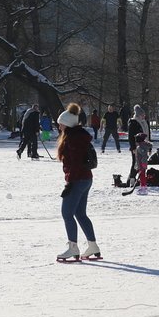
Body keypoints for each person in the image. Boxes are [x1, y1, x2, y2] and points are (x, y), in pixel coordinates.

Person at [55, 103, 101, 262]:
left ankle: (73, 248)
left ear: (67, 124)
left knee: (67, 213)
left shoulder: (71, 139)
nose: (58, 125)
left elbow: (74, 163)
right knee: (80, 214)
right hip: (86, 178)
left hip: (77, 179)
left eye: (60, 123)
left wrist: (69, 183)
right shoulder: (79, 136)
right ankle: (93, 245)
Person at [126, 104, 150, 185]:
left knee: (143, 163)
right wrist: (133, 148)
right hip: (136, 146)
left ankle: (138, 179)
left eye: (144, 114)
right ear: (138, 115)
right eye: (142, 115)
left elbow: (148, 135)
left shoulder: (145, 123)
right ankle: (132, 180)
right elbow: (130, 137)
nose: (144, 116)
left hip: (144, 146)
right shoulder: (133, 122)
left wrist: (149, 148)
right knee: (136, 163)